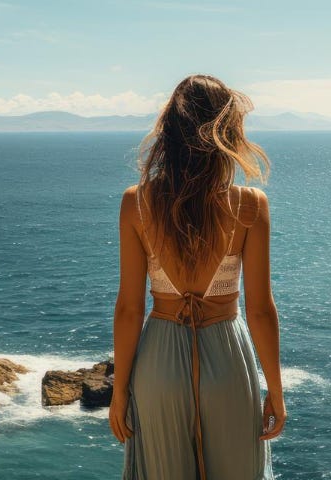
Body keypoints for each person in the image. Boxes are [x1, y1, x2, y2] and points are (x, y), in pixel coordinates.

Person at [110, 74, 285, 480]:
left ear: (168, 133)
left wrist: (119, 393)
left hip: (158, 365)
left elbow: (129, 309)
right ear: (228, 133)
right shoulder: (250, 204)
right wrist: (275, 391)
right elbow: (260, 310)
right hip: (227, 358)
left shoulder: (135, 203)